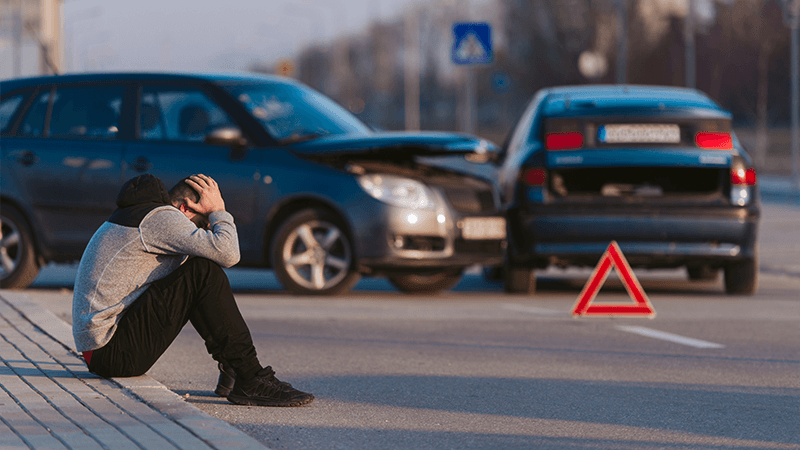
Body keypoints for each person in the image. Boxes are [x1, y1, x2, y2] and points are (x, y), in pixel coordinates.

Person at [72, 173, 314, 407]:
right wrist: (219, 211)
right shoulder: (161, 218)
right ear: (185, 208)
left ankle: (235, 369)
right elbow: (229, 254)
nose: (204, 231)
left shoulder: (142, 215)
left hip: (102, 350)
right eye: (202, 224)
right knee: (202, 272)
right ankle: (250, 377)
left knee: (195, 269)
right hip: (110, 352)